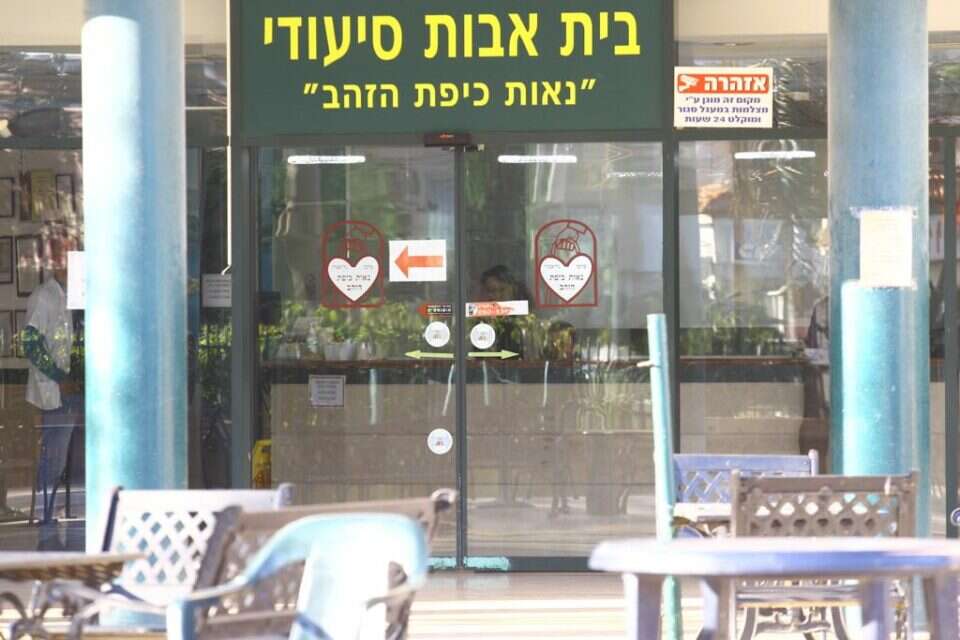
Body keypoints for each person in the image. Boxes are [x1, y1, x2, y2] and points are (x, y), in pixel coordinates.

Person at [22, 224, 81, 527]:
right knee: (53, 451)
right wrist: (59, 376)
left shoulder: (72, 296)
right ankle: (43, 510)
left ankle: (52, 507)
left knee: (63, 450)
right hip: (55, 388)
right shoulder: (44, 296)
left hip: (70, 386)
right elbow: (30, 343)